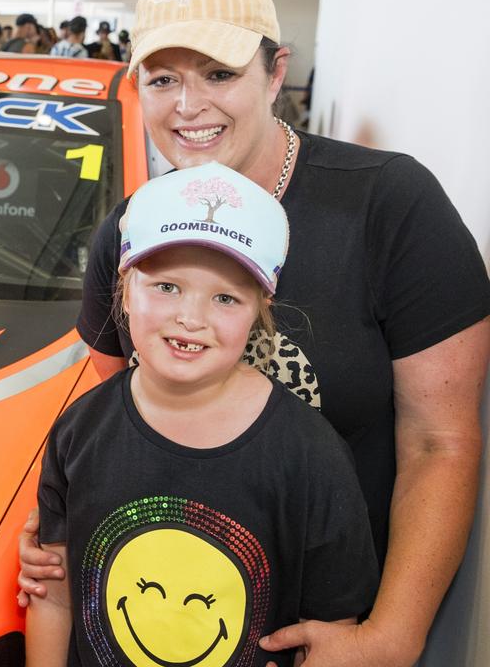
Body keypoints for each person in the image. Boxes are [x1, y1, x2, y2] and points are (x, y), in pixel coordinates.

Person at [17, 0, 490, 667]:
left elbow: (438, 442)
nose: (188, 105)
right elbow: (110, 411)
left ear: (276, 74)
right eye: (163, 79)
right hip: (154, 603)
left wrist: (392, 634)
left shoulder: (391, 207)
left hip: (318, 623)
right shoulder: (132, 231)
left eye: (217, 73)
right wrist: (57, 527)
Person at [26, 163, 379, 667]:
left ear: (261, 309)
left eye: (225, 297)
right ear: (125, 289)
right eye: (166, 286)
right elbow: (53, 594)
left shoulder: (311, 456)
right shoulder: (79, 430)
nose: (191, 317)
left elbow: (333, 628)